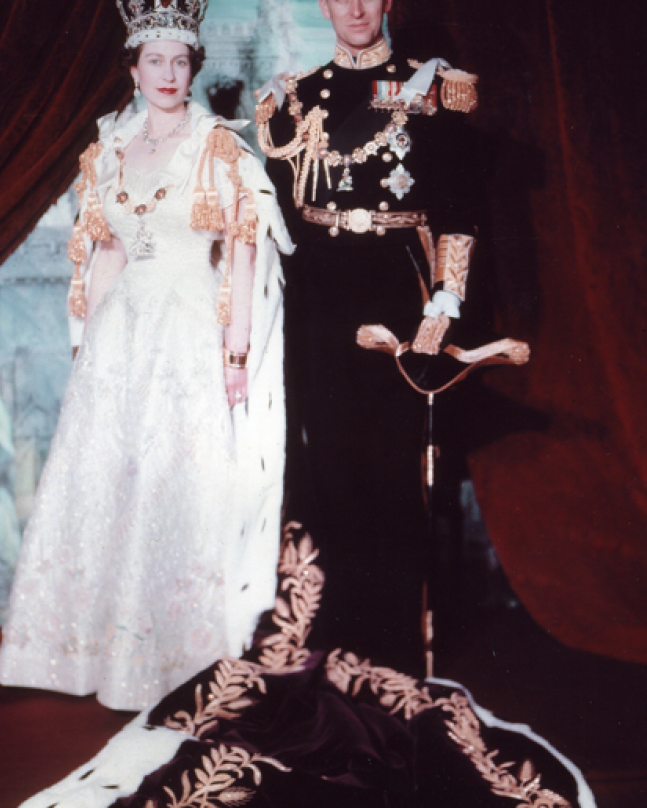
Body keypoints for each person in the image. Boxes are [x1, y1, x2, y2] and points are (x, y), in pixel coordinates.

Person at [0, 0, 292, 712]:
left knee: (173, 484)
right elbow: (109, 254)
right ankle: (89, 654)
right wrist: (88, 345)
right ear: (132, 69)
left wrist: (236, 352)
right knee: (108, 487)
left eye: (180, 62)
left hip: (188, 332)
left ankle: (177, 656)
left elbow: (242, 254)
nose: (168, 74)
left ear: (193, 69)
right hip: (122, 338)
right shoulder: (110, 150)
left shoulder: (218, 147)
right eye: (154, 60)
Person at [256, 0, 483, 675]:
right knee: (330, 467)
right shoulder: (294, 99)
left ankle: (393, 657)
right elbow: (279, 219)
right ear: (323, 5)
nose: (355, 8)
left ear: (387, 1)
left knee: (391, 472)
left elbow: (459, 209)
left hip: (395, 293)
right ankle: (336, 647)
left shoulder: (434, 89)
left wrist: (445, 300)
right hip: (318, 301)